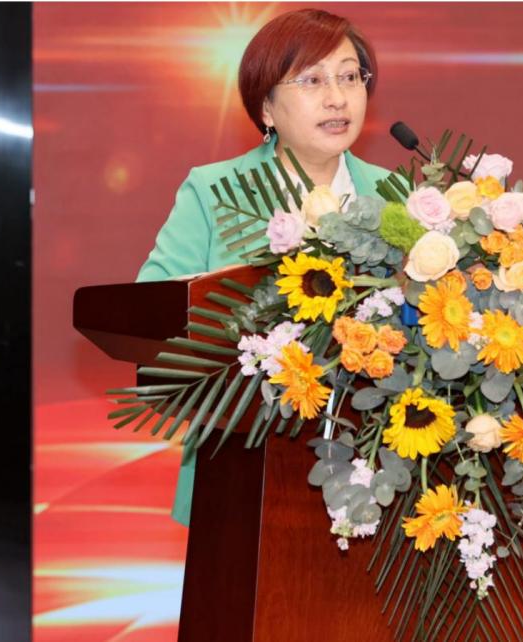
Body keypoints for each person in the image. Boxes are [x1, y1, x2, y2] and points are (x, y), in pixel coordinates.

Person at [136, 8, 393, 526]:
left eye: (349, 77)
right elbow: (152, 314)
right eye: (312, 81)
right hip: (242, 464)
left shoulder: (397, 195)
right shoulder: (214, 192)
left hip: (379, 475)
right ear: (266, 107)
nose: (337, 98)